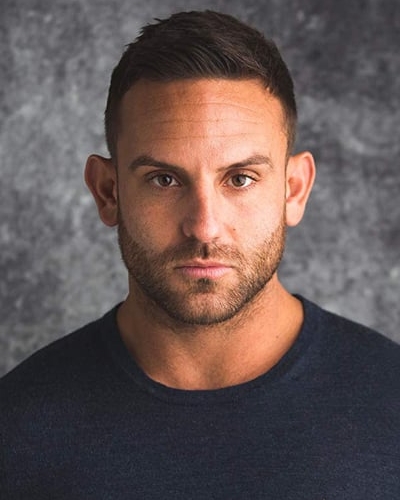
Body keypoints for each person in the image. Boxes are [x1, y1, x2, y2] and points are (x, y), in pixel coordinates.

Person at [1, 10, 399, 499]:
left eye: (241, 179)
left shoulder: (391, 404)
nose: (204, 226)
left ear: (294, 190)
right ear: (108, 192)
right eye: (164, 180)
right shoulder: (16, 434)